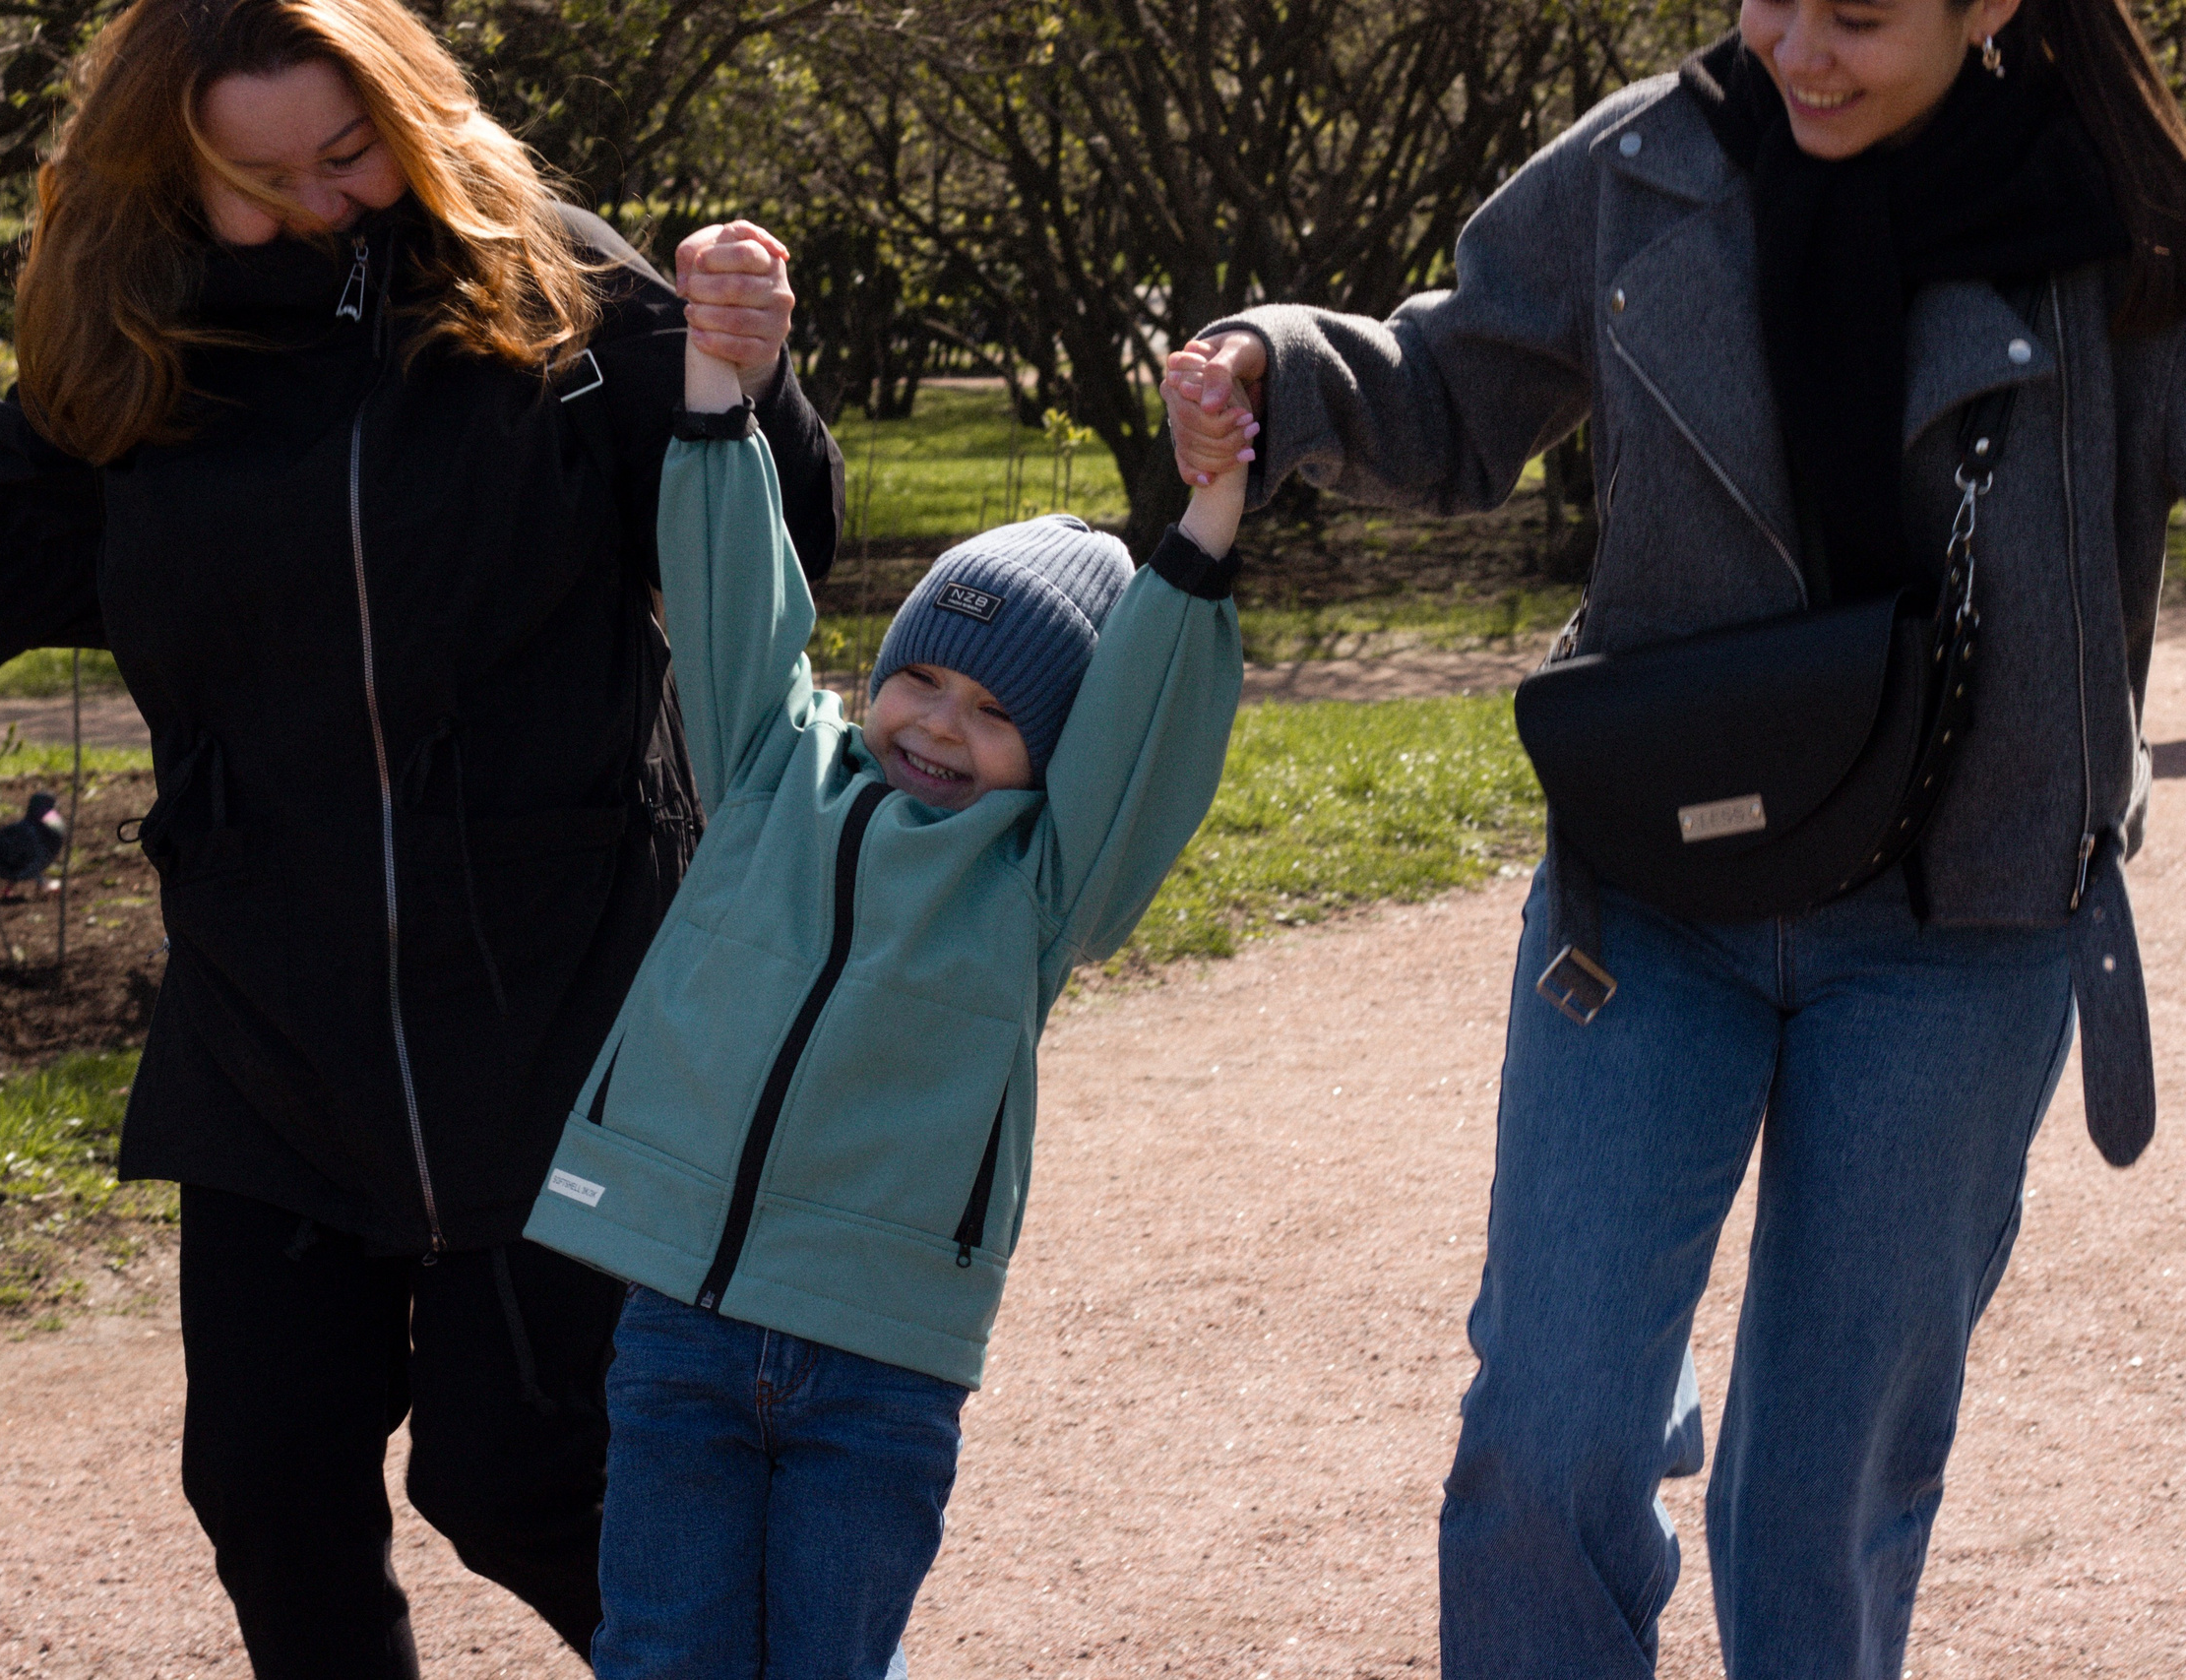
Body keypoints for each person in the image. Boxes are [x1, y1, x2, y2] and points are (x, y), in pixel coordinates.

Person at [0, 0, 843, 1671]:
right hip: (268, 1013)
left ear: (415, 117)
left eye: (348, 152)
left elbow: (781, 528)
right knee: (268, 1479)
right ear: (171, 168)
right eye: (257, 176)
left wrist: (755, 371)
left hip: (563, 1006)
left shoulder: (553, 296)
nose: (316, 204)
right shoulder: (145, 348)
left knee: (521, 1479)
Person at [1166, 0, 2184, 1673]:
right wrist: (1279, 368)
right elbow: (1448, 385)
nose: (1801, 50)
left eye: (1858, 16)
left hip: (1965, 928)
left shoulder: (2119, 231)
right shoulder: (1652, 163)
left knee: (1820, 1489)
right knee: (1550, 1428)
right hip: (1653, 897)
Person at [518, 334, 1245, 1672]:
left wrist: (1206, 518)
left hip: (879, 1368)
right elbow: (736, 590)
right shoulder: (767, 771)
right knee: (661, 1653)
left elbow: (1151, 723)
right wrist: (720, 381)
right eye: (922, 678)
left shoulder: (1042, 886)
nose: (939, 724)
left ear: (1058, 757)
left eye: (994, 711)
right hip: (681, 1327)